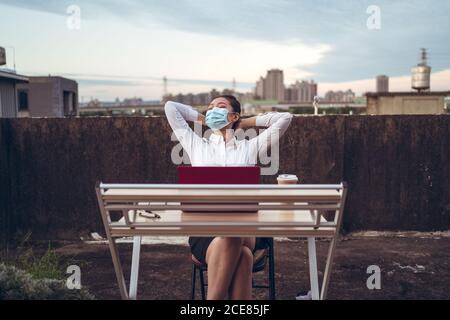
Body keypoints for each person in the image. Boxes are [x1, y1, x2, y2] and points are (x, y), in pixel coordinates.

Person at [164, 95, 292, 300]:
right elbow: (171, 108)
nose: (213, 110)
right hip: (204, 229)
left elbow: (285, 118)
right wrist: (204, 119)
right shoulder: (196, 145)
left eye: (221, 107)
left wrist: (243, 122)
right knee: (243, 256)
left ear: (233, 114)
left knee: (234, 229)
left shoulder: (250, 147)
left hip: (245, 227)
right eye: (210, 107)